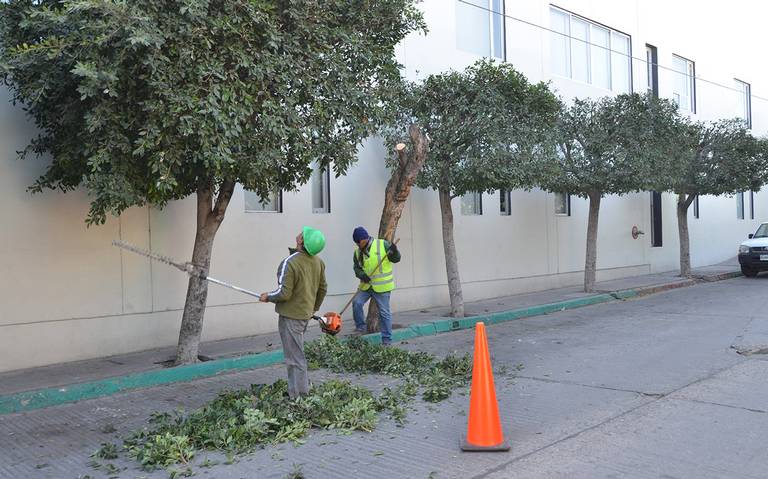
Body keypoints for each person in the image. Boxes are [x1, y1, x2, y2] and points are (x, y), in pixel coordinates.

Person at [260, 226, 327, 399]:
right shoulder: (318, 262)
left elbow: (284, 293)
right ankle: (296, 392)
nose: (299, 233)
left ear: (301, 241)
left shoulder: (290, 262)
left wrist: (268, 297)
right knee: (296, 355)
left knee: (294, 358)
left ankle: (299, 397)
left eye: (302, 234)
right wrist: (313, 308)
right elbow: (323, 289)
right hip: (304, 316)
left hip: (291, 317)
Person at [351, 226, 401, 345]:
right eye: (356, 243)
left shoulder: (383, 245)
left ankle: (387, 340)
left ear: (364, 239)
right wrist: (362, 275)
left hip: (382, 287)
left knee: (384, 313)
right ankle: (360, 327)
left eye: (359, 242)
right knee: (356, 303)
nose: (358, 245)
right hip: (366, 285)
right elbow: (356, 268)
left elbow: (396, 259)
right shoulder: (357, 252)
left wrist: (394, 251)